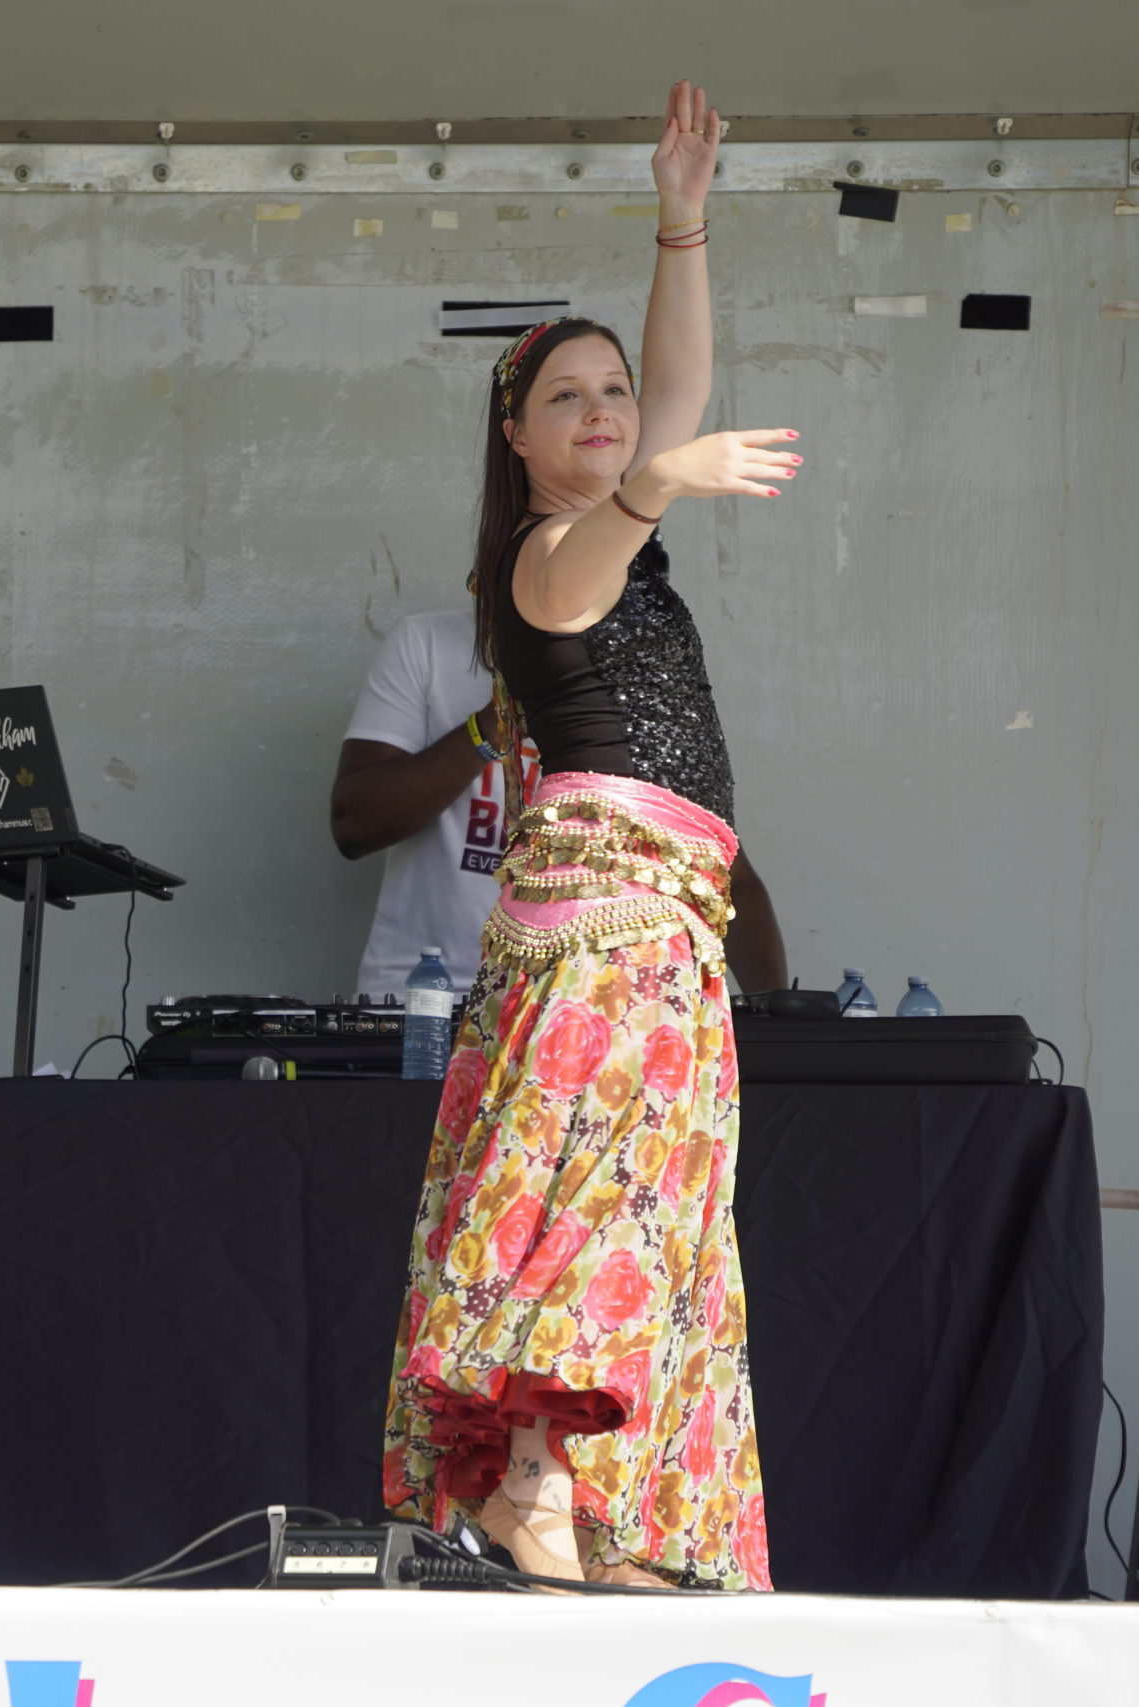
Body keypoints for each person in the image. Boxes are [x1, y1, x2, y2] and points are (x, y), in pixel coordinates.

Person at [382, 81, 791, 1592]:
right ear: (516, 433)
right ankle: (536, 1486)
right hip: (604, 922)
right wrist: (653, 480)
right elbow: (588, 557)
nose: (607, 412)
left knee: (653, 1207)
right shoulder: (544, 557)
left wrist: (681, 221)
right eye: (568, 398)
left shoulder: (624, 516)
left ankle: (602, 1512)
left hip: (664, 925)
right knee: (595, 1197)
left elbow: (673, 398)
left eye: (612, 393)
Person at [330, 624, 789, 1001]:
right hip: (429, 1000)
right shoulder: (429, 645)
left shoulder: (639, 677)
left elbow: (727, 876)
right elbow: (356, 826)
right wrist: (492, 724)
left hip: (590, 1010)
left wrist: (776, 1023)